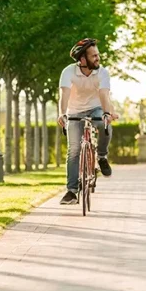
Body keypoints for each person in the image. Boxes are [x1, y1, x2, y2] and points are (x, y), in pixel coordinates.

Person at [57, 38, 119, 205]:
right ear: (82, 59)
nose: (97, 58)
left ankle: (102, 156)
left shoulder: (102, 72)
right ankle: (71, 191)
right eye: (93, 56)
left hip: (95, 108)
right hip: (74, 112)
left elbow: (104, 94)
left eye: (98, 54)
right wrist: (62, 114)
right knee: (74, 150)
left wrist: (107, 113)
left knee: (104, 124)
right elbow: (64, 95)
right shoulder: (68, 72)